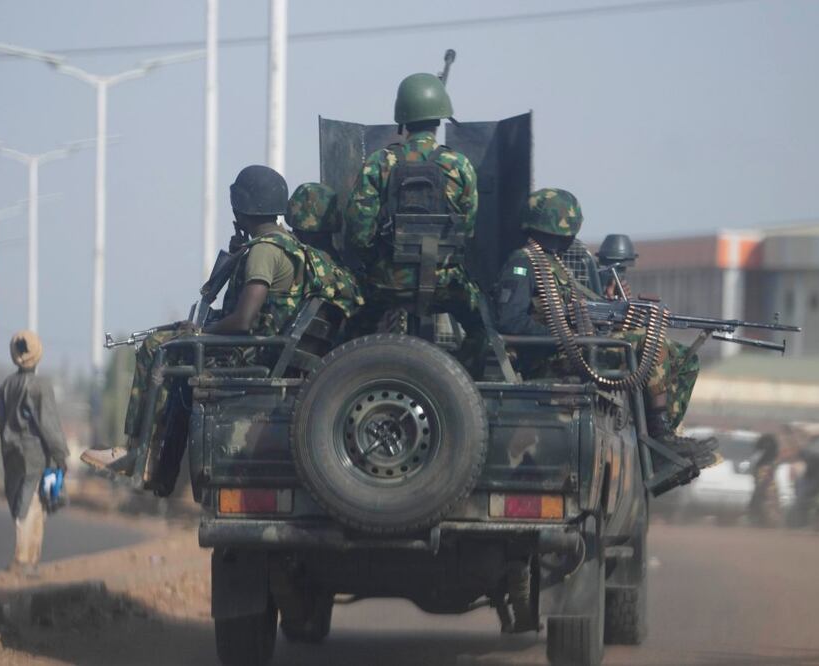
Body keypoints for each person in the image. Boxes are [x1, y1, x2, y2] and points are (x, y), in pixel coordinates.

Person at [83, 165, 360, 477]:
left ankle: (136, 452)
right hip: (267, 349)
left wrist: (201, 331)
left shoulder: (264, 251)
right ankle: (153, 458)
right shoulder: (291, 248)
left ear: (242, 207)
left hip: (250, 352)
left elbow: (243, 320)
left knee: (155, 348)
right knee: (174, 340)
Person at [495, 188, 716, 469]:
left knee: (685, 359)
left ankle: (664, 434)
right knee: (652, 343)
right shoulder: (523, 262)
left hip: (575, 349)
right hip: (553, 358)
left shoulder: (553, 263)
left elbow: (576, 310)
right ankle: (659, 437)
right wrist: (564, 337)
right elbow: (510, 321)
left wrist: (607, 303)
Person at [343, 72, 485, 373]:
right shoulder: (460, 166)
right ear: (440, 118)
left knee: (347, 334)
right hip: (447, 283)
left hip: (386, 283)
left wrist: (378, 261)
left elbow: (358, 232)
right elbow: (468, 228)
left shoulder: (379, 163)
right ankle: (463, 378)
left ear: (402, 119)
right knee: (484, 327)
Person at [0, 330, 69, 576]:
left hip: (12, 453)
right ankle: (24, 559)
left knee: (21, 501)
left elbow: (1, 425)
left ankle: (28, 559)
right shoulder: (40, 386)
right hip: (37, 454)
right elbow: (49, 425)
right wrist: (61, 455)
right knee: (32, 506)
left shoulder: (7, 386)